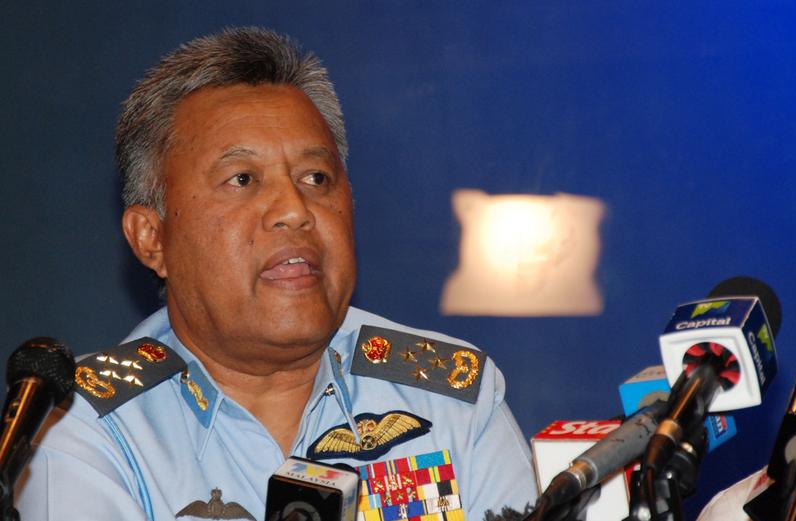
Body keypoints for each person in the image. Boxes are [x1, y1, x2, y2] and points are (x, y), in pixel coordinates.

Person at [15, 27, 536, 520]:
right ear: (152, 238)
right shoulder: (83, 425)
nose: (294, 209)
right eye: (242, 179)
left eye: (316, 177)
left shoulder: (450, 397)